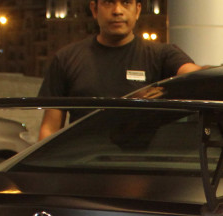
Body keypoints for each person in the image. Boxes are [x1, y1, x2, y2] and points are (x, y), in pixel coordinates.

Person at [37, 0, 202, 140]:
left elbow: (196, 75)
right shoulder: (66, 58)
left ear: (137, 10)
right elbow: (49, 129)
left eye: (125, 3)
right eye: (109, 2)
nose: (117, 11)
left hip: (143, 166)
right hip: (82, 164)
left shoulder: (162, 55)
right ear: (94, 9)